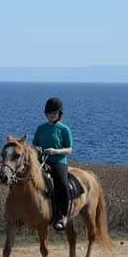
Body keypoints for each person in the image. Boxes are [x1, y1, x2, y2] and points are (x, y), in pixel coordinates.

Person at [32, 97, 74, 231]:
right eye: (49, 113)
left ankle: (63, 215)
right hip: (42, 161)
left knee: (61, 183)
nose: (52, 115)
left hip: (58, 162)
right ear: (46, 114)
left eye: (54, 113)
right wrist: (36, 148)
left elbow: (69, 149)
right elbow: (34, 144)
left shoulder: (64, 129)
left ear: (59, 114)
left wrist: (55, 151)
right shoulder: (40, 128)